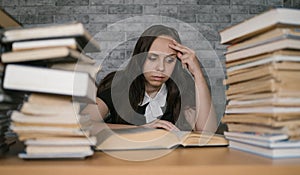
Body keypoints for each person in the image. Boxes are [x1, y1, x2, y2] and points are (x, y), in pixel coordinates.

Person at [96, 25, 217, 132]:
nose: (161, 68)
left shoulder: (183, 85)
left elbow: (207, 132)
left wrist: (198, 74)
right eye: (153, 58)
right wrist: (140, 129)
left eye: (170, 60)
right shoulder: (118, 82)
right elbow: (85, 124)